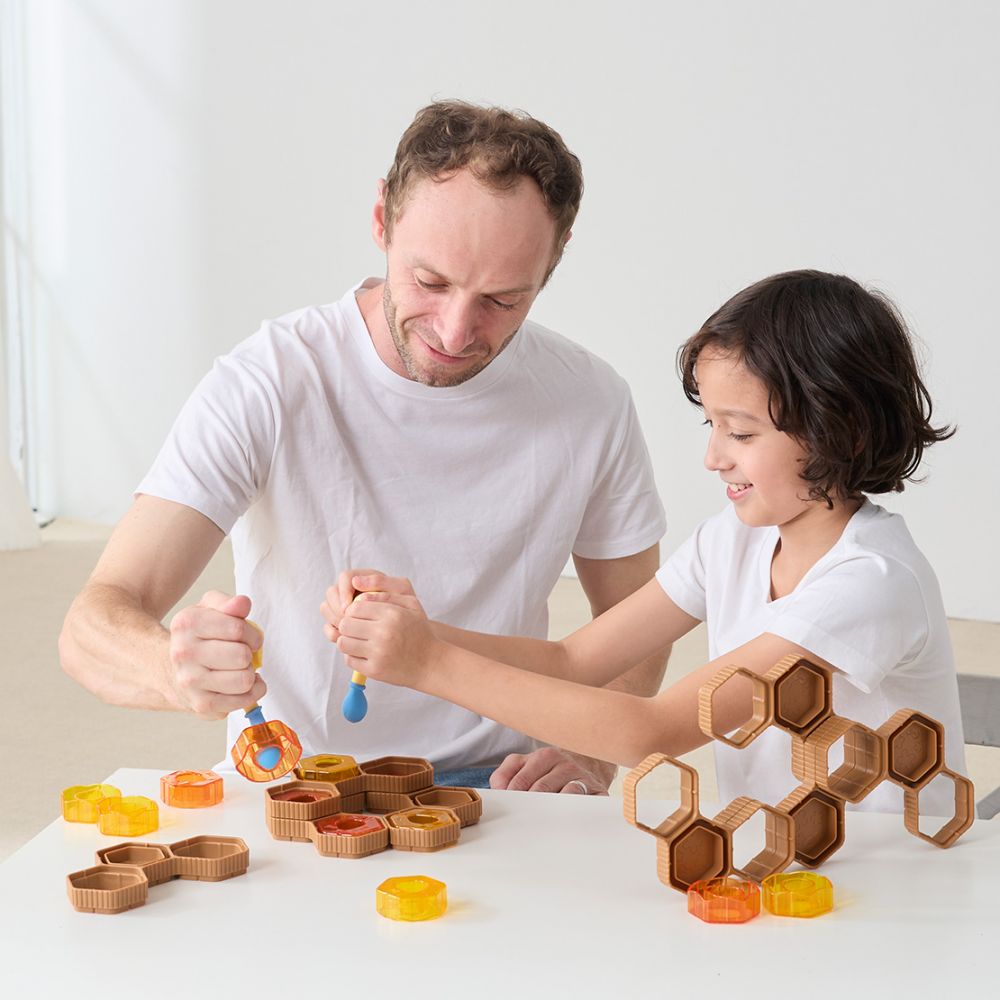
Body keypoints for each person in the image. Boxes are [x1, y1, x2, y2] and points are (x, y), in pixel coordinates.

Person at [59, 100, 669, 794]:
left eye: (502, 300)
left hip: (501, 779)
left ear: (553, 262)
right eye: (430, 282)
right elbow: (92, 623)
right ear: (382, 219)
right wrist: (175, 669)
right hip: (293, 775)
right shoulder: (270, 379)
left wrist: (589, 753)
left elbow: (639, 623)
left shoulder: (589, 400)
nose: (455, 331)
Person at [327, 269, 967, 813]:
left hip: (896, 894)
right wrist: (419, 631)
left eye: (742, 433)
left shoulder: (869, 582)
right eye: (711, 424)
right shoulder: (731, 543)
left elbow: (650, 731)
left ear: (843, 431)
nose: (714, 456)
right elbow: (574, 662)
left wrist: (428, 664)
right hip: (786, 873)